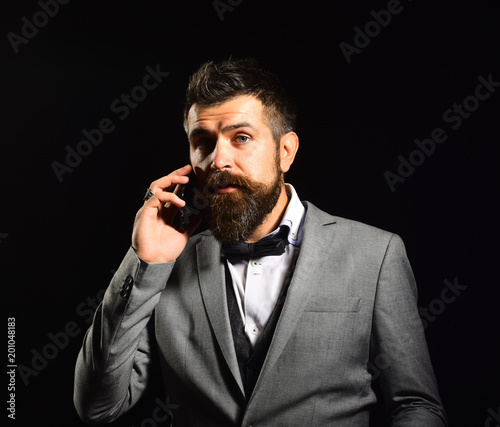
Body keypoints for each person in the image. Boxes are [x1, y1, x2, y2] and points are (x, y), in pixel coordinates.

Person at [74, 58, 447, 426]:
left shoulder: (375, 255)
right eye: (202, 143)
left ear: (285, 151)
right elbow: (98, 406)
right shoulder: (165, 265)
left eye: (241, 138)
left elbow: (416, 405)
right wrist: (145, 263)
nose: (219, 159)